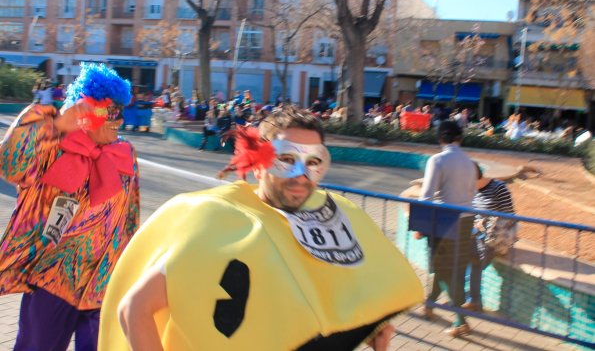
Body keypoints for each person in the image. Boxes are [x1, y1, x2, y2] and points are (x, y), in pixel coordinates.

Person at [99, 107, 424, 351]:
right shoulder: (221, 222)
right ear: (258, 161)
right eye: (286, 159)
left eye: (313, 162)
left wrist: (369, 329)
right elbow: (135, 309)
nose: (301, 175)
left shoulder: (324, 219)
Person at [0, 62, 140, 351]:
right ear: (88, 110)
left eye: (122, 112)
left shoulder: (124, 154)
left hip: (104, 282)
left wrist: (130, 267)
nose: (119, 121)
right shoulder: (53, 146)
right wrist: (57, 124)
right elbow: (10, 164)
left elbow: (130, 217)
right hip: (53, 279)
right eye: (111, 112)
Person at [418, 120, 476, 337]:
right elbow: (471, 194)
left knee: (441, 268)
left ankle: (460, 320)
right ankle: (430, 303)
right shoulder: (470, 163)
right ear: (460, 138)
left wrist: (422, 225)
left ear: (441, 138)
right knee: (456, 269)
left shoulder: (438, 160)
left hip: (444, 221)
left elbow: (426, 196)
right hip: (466, 220)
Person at [465, 162, 515, 312]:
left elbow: (510, 216)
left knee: (475, 264)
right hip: (476, 234)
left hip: (494, 236)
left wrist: (486, 222)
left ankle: (472, 301)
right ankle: (469, 300)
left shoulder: (499, 188)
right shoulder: (471, 190)